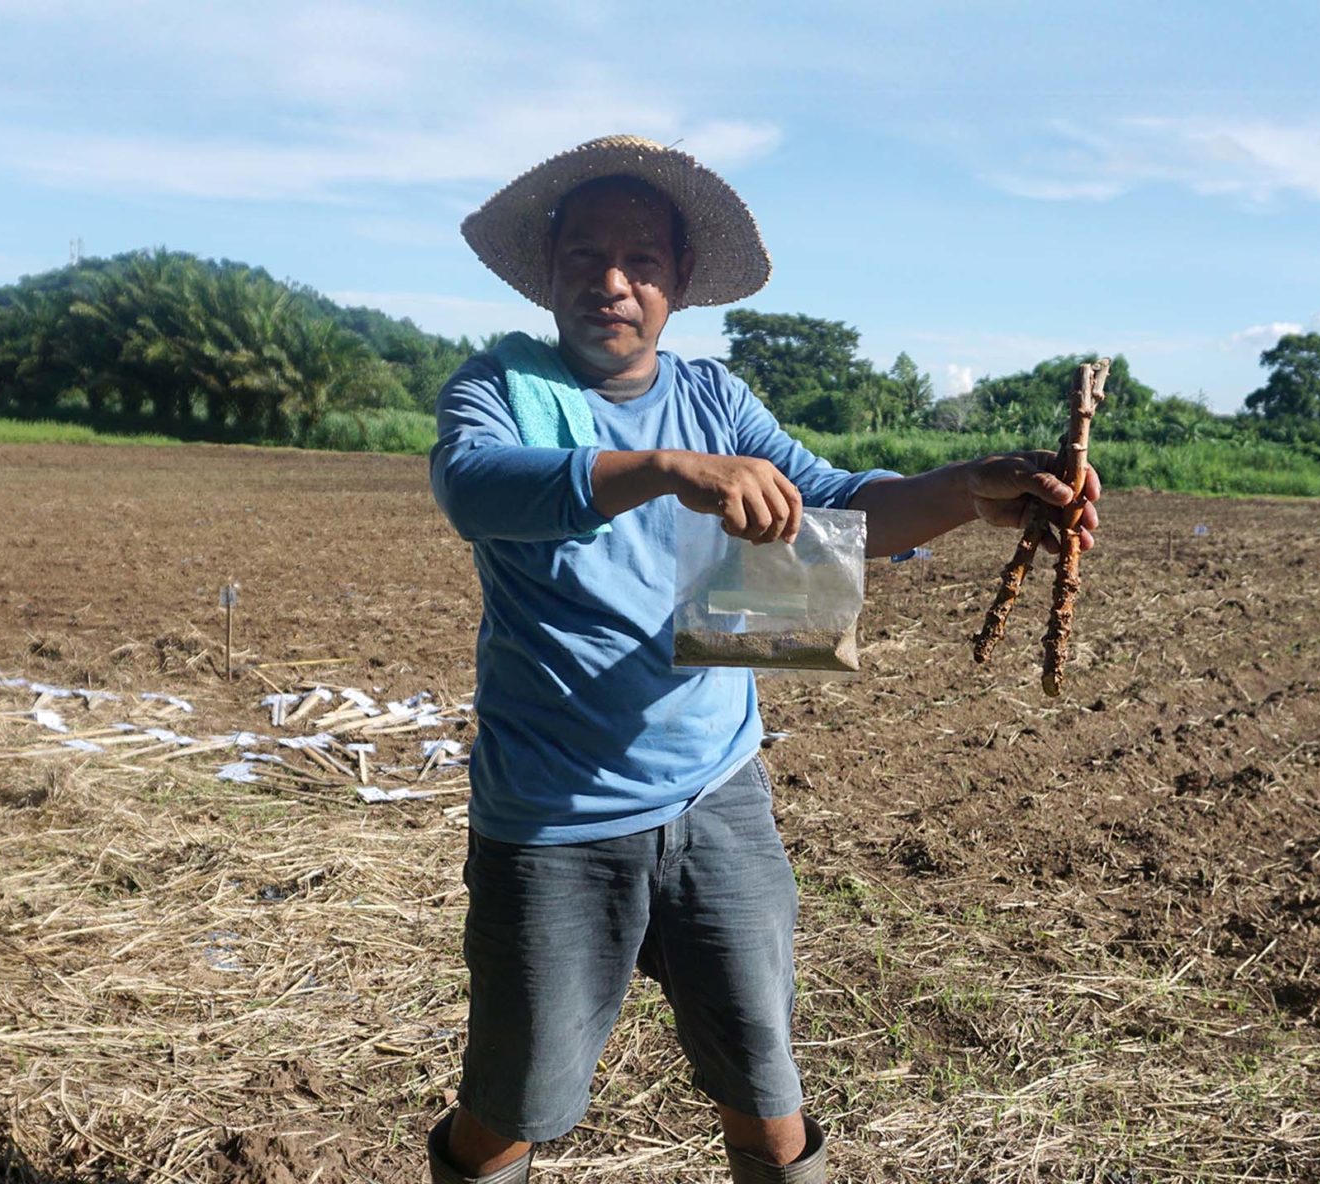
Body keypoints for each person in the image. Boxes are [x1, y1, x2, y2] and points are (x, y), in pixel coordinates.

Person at [426, 135, 1100, 1184]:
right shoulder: (499, 387)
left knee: (766, 1094)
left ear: (678, 282)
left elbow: (837, 508)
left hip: (716, 795)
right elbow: (476, 487)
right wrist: (659, 470)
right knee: (511, 1107)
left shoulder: (716, 400)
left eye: (641, 259)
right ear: (548, 264)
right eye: (588, 254)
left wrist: (973, 487)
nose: (613, 282)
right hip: (551, 819)